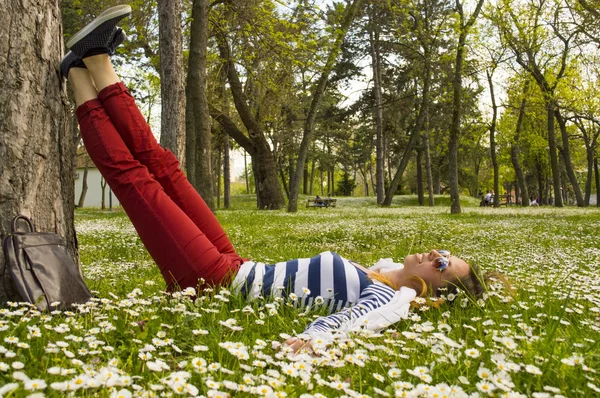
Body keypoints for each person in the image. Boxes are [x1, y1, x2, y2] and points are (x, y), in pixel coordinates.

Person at [62, 6, 491, 353]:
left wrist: (312, 340)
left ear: (431, 293)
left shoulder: (390, 300)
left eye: (441, 264)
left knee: (138, 183)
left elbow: (351, 323)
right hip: (236, 264)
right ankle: (86, 66)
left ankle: (88, 69)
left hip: (214, 281)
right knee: (165, 168)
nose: (436, 252)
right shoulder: (382, 273)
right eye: (445, 252)